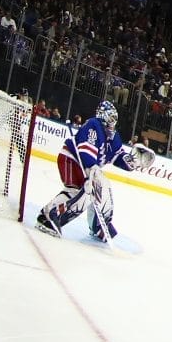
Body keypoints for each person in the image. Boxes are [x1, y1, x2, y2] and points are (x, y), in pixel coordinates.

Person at [35, 100, 154, 242]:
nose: (113, 123)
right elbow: (86, 152)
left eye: (114, 120)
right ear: (102, 116)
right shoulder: (94, 125)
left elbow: (118, 157)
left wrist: (132, 161)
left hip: (88, 167)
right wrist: (89, 176)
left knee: (103, 186)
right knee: (80, 192)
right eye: (110, 119)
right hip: (71, 160)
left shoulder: (113, 136)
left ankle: (99, 225)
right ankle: (48, 217)